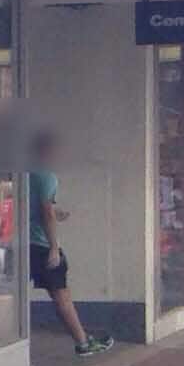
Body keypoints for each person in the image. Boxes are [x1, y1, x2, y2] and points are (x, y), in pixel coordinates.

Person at [27, 130, 111, 354]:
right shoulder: (47, 177)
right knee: (62, 295)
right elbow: (45, 212)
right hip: (41, 244)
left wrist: (56, 212)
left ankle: (82, 339)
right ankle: (82, 343)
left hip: (25, 242)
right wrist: (54, 247)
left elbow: (36, 207)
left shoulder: (27, 174)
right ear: (48, 150)